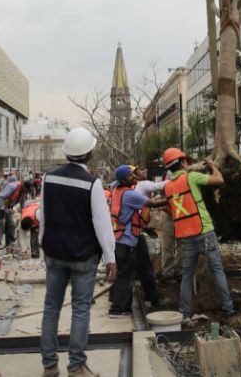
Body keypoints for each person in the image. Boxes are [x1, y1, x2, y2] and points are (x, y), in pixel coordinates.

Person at [39, 127, 117, 377]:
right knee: (81, 309)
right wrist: (110, 258)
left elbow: (44, 217)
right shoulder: (92, 184)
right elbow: (102, 225)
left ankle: (50, 365)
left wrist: (44, 246)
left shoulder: (48, 178)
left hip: (55, 254)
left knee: (51, 307)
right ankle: (76, 367)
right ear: (90, 154)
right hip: (83, 256)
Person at [162, 148, 236, 321]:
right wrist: (211, 166)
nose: (187, 162)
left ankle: (185, 312)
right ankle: (228, 308)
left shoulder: (168, 187)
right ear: (181, 163)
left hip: (185, 236)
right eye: (185, 161)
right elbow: (219, 180)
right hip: (204, 231)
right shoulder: (191, 178)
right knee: (217, 270)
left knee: (187, 275)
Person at [108, 165, 168, 318]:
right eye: (131, 176)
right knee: (125, 276)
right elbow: (153, 204)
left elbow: (131, 215)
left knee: (125, 274)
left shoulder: (117, 190)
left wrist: (145, 228)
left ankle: (123, 306)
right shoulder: (129, 194)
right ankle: (117, 309)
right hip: (126, 241)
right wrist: (175, 196)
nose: (134, 177)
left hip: (121, 238)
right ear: (123, 179)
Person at [132, 165, 168, 307]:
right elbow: (160, 185)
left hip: (131, 232)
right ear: (134, 175)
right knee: (145, 267)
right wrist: (180, 177)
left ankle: (117, 299)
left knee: (129, 268)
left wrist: (146, 228)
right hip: (134, 234)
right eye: (141, 170)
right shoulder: (143, 184)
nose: (145, 171)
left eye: (145, 169)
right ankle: (153, 299)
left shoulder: (127, 189)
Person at [0, 177, 31, 248]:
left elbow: (23, 205)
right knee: (2, 223)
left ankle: (10, 243)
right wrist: (1, 209)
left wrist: (25, 215)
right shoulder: (13, 186)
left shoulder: (23, 192)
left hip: (7, 208)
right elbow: (0, 197)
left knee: (11, 224)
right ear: (23, 185)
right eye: (26, 190)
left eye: (27, 191)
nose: (26, 192)